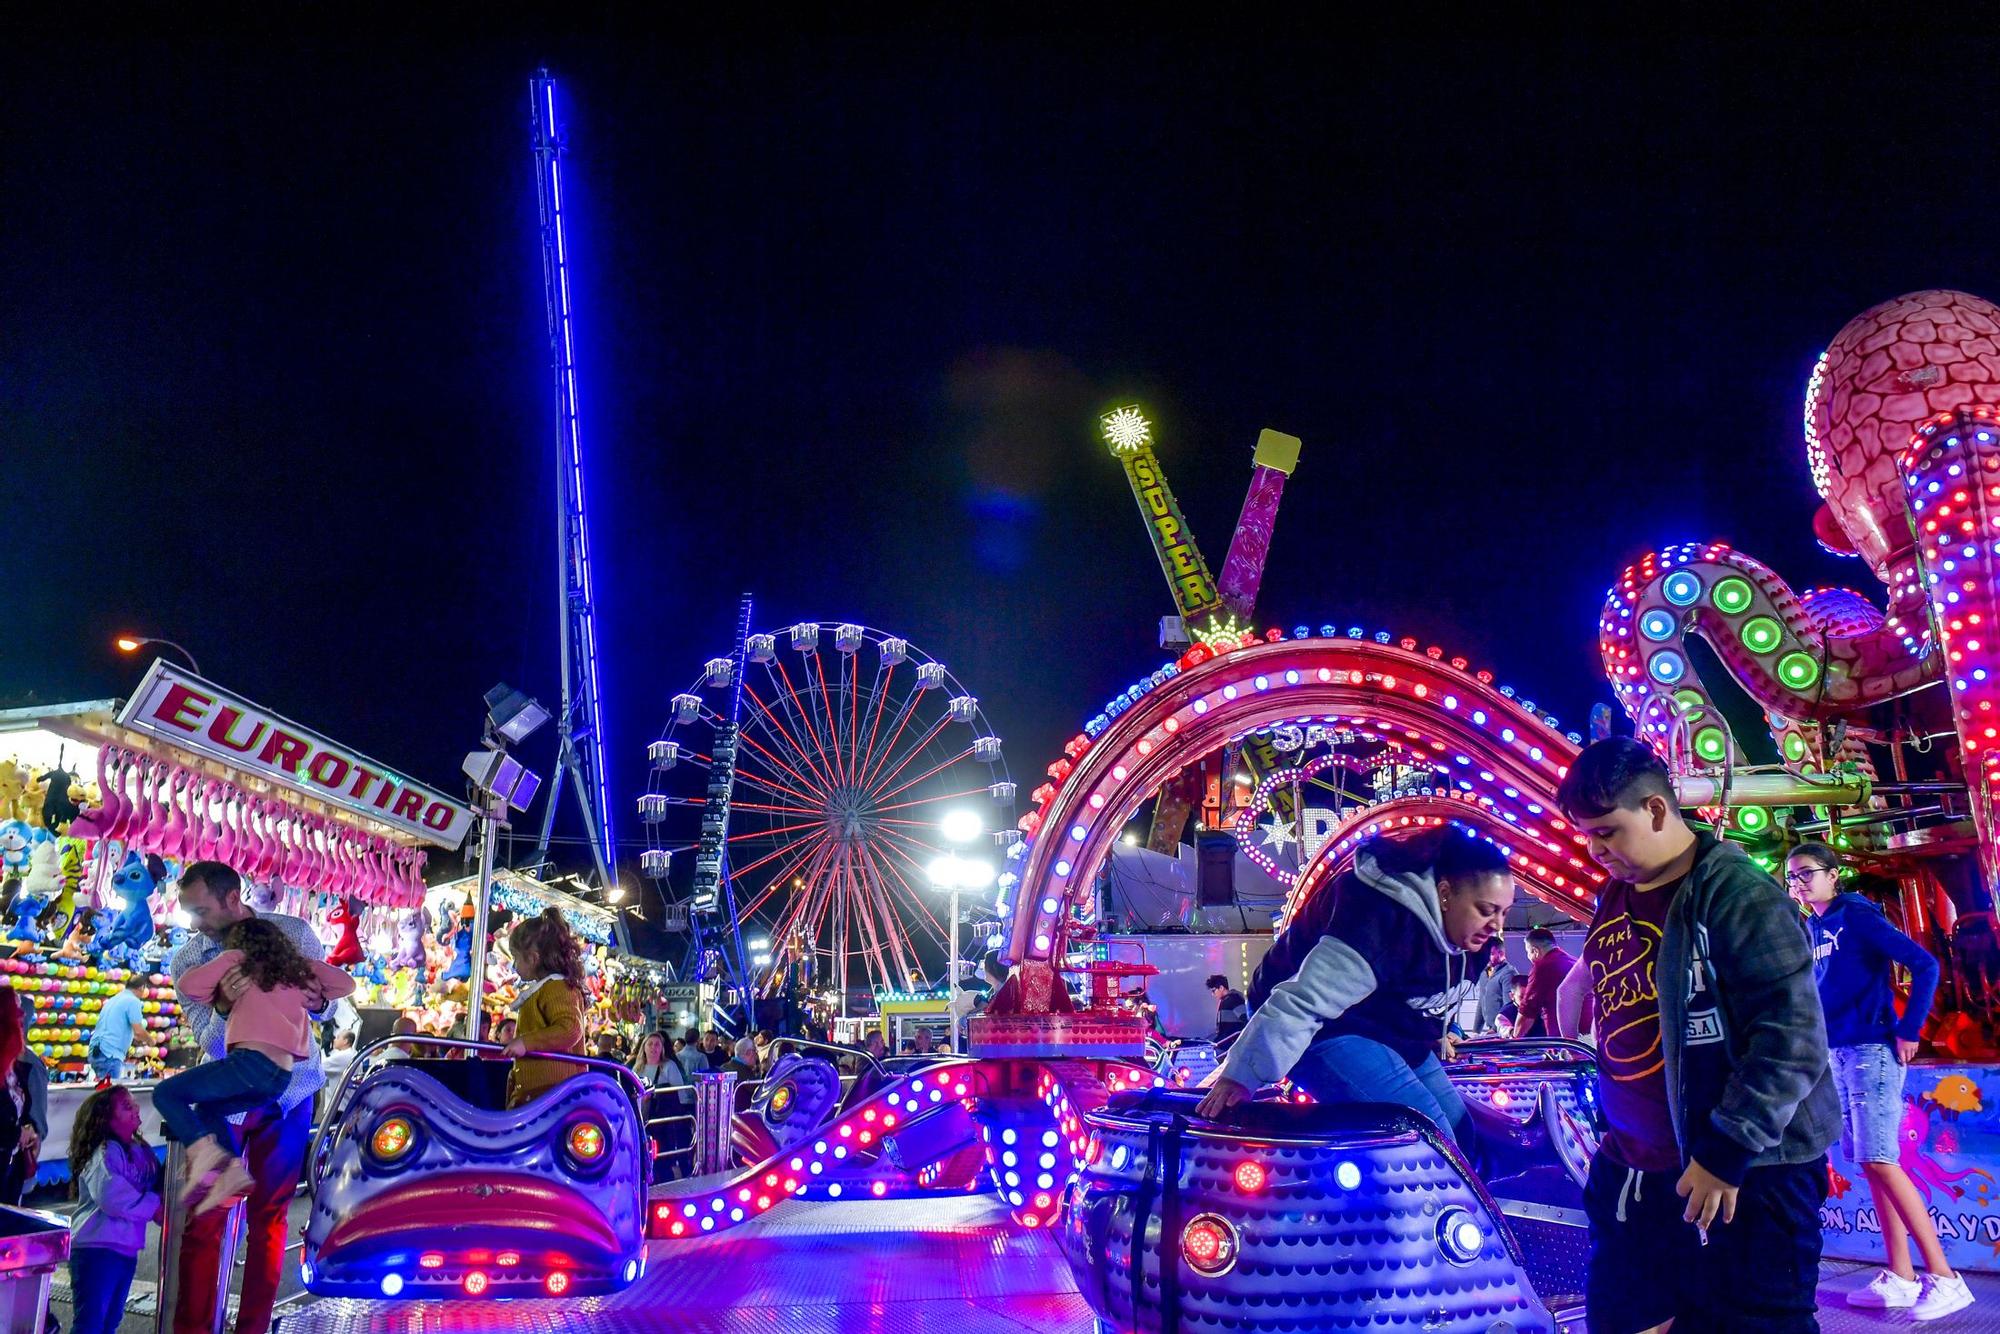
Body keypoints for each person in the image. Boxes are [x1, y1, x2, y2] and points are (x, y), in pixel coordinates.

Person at [1552, 738, 1835, 1334]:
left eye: (1607, 831)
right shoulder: (1615, 894)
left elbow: (1792, 1038)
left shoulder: (1739, 895)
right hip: (1638, 1172)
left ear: (1655, 810)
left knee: (1755, 1324)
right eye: (1587, 833)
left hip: (1746, 1174)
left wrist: (1725, 1152)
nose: (1594, 848)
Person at [1195, 826, 1510, 1144]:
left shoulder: (1475, 944)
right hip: (1321, 1026)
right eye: (1486, 910)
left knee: (1458, 1129)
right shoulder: (1381, 920)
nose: (1497, 925)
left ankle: (1467, 1191)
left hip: (1381, 1024)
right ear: (1445, 894)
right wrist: (1241, 1076)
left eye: (1503, 912)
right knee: (1424, 1135)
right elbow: (1304, 1000)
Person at [1789, 842, 1968, 1319]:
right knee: (1869, 1162)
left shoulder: (1857, 916)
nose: (1799, 883)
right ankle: (1902, 1276)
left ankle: (1946, 1279)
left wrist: (1910, 1030)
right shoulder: (1814, 925)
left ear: (1833, 875)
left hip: (1873, 1048)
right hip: (1840, 1052)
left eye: (1807, 873)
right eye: (1792, 877)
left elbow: (1924, 964)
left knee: (1881, 1159)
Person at [169, 859, 335, 1334]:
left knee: (270, 1217)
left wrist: (318, 1001)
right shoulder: (189, 960)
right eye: (189, 914)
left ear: (231, 898)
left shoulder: (293, 934)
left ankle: (254, 1326)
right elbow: (211, 1044)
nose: (196, 924)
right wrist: (222, 1007)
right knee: (205, 1218)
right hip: (227, 1098)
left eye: (202, 911)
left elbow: (327, 1006)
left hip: (292, 1092)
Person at [159, 917, 357, 1214]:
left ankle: (204, 1155)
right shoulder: (297, 969)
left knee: (166, 1094)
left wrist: (226, 968)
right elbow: (346, 983)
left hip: (250, 1064)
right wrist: (314, 985)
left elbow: (189, 987)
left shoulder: (237, 961)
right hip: (280, 1080)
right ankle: (230, 1172)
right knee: (209, 1108)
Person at [66, 1084, 161, 1334]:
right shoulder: (105, 1152)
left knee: (110, 1320)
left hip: (125, 1250)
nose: (135, 1109)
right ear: (105, 1120)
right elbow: (111, 1196)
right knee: (91, 1323)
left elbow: (157, 1185)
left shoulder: (141, 1152)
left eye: (133, 1104)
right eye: (127, 1106)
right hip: (96, 1248)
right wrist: (154, 1206)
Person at [500, 907, 587, 1108]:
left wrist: (526, 1043)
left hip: (553, 1096)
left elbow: (570, 1028)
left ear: (533, 958)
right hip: (538, 1096)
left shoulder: (558, 987)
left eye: (516, 958)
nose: (514, 966)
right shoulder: (543, 989)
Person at [632, 1030, 690, 1182]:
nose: (653, 1047)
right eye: (650, 1044)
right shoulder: (637, 1068)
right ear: (644, 1047)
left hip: (663, 1117)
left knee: (662, 1148)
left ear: (662, 1048)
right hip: (642, 1114)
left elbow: (680, 1093)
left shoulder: (669, 1066)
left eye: (657, 1044)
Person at [1513, 928, 1574, 1039]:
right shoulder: (1574, 961)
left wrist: (1514, 1040)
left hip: (1565, 1042)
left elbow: (1527, 1011)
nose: (1528, 957)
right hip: (1588, 1039)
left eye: (1528, 952)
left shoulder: (1542, 967)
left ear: (1535, 951)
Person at [87, 976, 147, 1082]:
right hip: (110, 1054)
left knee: (103, 1092)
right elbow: (138, 1031)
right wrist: (151, 1041)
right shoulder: (133, 1001)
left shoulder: (114, 998)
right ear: (141, 988)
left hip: (97, 1050)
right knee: (110, 1095)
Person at [1472, 948, 1517, 1035]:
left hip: (1505, 1030)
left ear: (1501, 954)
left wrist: (1495, 1028)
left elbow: (1509, 1005)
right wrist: (1476, 1030)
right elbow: (1482, 1002)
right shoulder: (1484, 972)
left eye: (1491, 954)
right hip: (1492, 1030)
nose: (1486, 957)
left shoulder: (1508, 973)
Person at [1207, 974, 1247, 1040]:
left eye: (1213, 991)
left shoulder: (1234, 999)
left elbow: (1246, 1019)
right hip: (1226, 1044)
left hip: (1231, 1046)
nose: (1212, 994)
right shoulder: (1226, 1001)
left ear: (1221, 988)